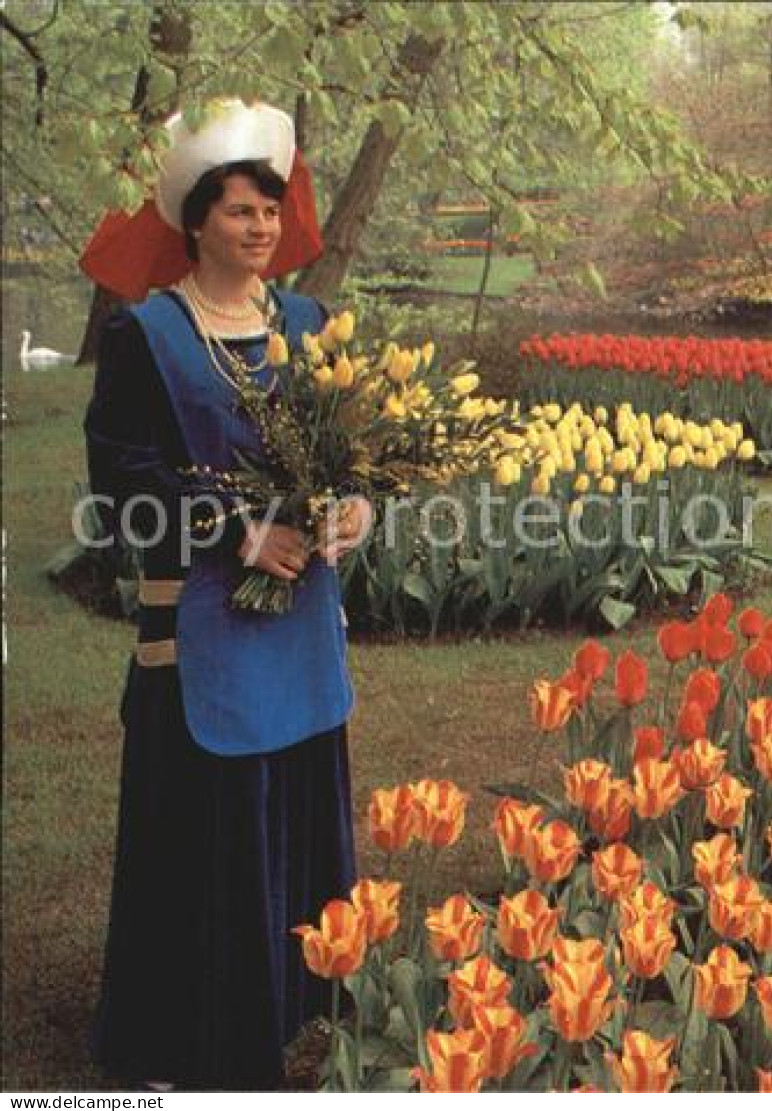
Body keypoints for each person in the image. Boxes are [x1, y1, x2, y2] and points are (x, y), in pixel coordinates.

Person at [79, 99, 370, 1091]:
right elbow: (119, 478)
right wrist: (235, 530)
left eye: (270, 211)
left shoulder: (309, 325)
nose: (259, 228)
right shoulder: (147, 335)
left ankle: (289, 1003)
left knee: (290, 805)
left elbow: (353, 453)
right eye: (239, 211)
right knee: (208, 825)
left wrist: (352, 510)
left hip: (300, 626)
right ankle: (190, 1033)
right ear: (196, 220)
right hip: (197, 629)